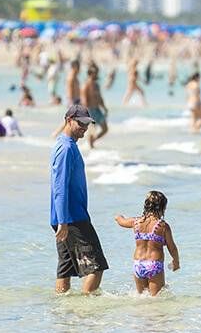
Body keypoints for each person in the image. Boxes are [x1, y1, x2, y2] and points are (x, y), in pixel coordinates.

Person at [51, 104, 109, 294]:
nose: (84, 128)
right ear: (68, 120)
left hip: (65, 218)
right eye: (80, 123)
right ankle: (84, 310)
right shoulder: (66, 148)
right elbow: (59, 187)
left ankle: (63, 314)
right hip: (72, 218)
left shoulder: (66, 144)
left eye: (87, 124)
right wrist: (63, 221)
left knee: (66, 268)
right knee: (96, 267)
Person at [113, 190, 180, 296]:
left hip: (138, 264)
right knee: (156, 300)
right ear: (162, 208)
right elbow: (172, 248)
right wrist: (176, 262)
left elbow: (122, 222)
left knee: (142, 298)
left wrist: (118, 217)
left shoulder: (135, 222)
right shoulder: (162, 226)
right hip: (154, 265)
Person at [82, 65, 109, 147]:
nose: (96, 74)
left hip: (97, 109)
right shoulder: (86, 85)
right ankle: (91, 148)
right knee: (92, 131)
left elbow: (100, 98)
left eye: (96, 73)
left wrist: (104, 108)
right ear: (90, 74)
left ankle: (93, 142)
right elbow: (84, 100)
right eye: (94, 73)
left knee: (105, 129)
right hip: (90, 110)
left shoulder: (96, 85)